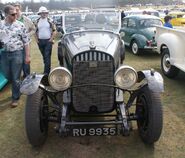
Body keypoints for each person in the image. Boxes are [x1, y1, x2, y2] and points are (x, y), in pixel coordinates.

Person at [0, 5, 30, 107]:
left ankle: (15, 98)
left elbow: (26, 42)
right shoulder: (0, 24)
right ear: (6, 14)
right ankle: (19, 85)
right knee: (7, 75)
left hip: (17, 53)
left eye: (16, 13)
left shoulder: (20, 25)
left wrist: (27, 56)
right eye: (13, 14)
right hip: (4, 54)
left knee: (15, 77)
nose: (15, 16)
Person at [14, 3, 36, 78]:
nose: (16, 11)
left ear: (20, 10)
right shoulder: (12, 19)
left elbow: (34, 29)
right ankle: (18, 76)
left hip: (26, 44)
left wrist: (27, 35)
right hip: (16, 45)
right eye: (15, 10)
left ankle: (27, 76)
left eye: (17, 10)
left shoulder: (26, 19)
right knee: (17, 60)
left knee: (26, 60)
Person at [35, 6, 56, 75]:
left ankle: (46, 73)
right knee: (44, 57)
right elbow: (34, 31)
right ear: (40, 13)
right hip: (40, 42)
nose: (44, 14)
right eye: (42, 13)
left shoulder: (50, 20)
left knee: (47, 56)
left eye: (45, 13)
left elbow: (54, 31)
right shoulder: (37, 21)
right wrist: (37, 40)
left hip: (48, 42)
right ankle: (47, 69)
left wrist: (51, 39)